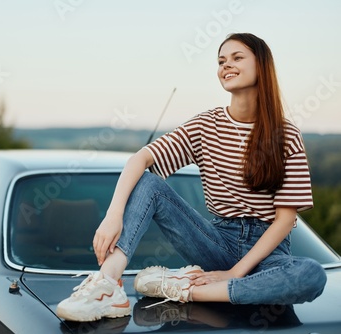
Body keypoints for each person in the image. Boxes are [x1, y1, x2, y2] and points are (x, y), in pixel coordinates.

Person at [56, 33, 327, 322]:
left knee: (311, 275)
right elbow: (141, 159)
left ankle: (183, 288)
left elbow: (285, 220)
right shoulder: (206, 125)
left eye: (237, 58)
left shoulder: (285, 134)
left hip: (268, 254)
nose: (226, 65)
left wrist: (233, 274)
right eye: (221, 61)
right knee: (150, 182)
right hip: (217, 241)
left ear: (262, 65)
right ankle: (108, 285)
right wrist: (114, 215)